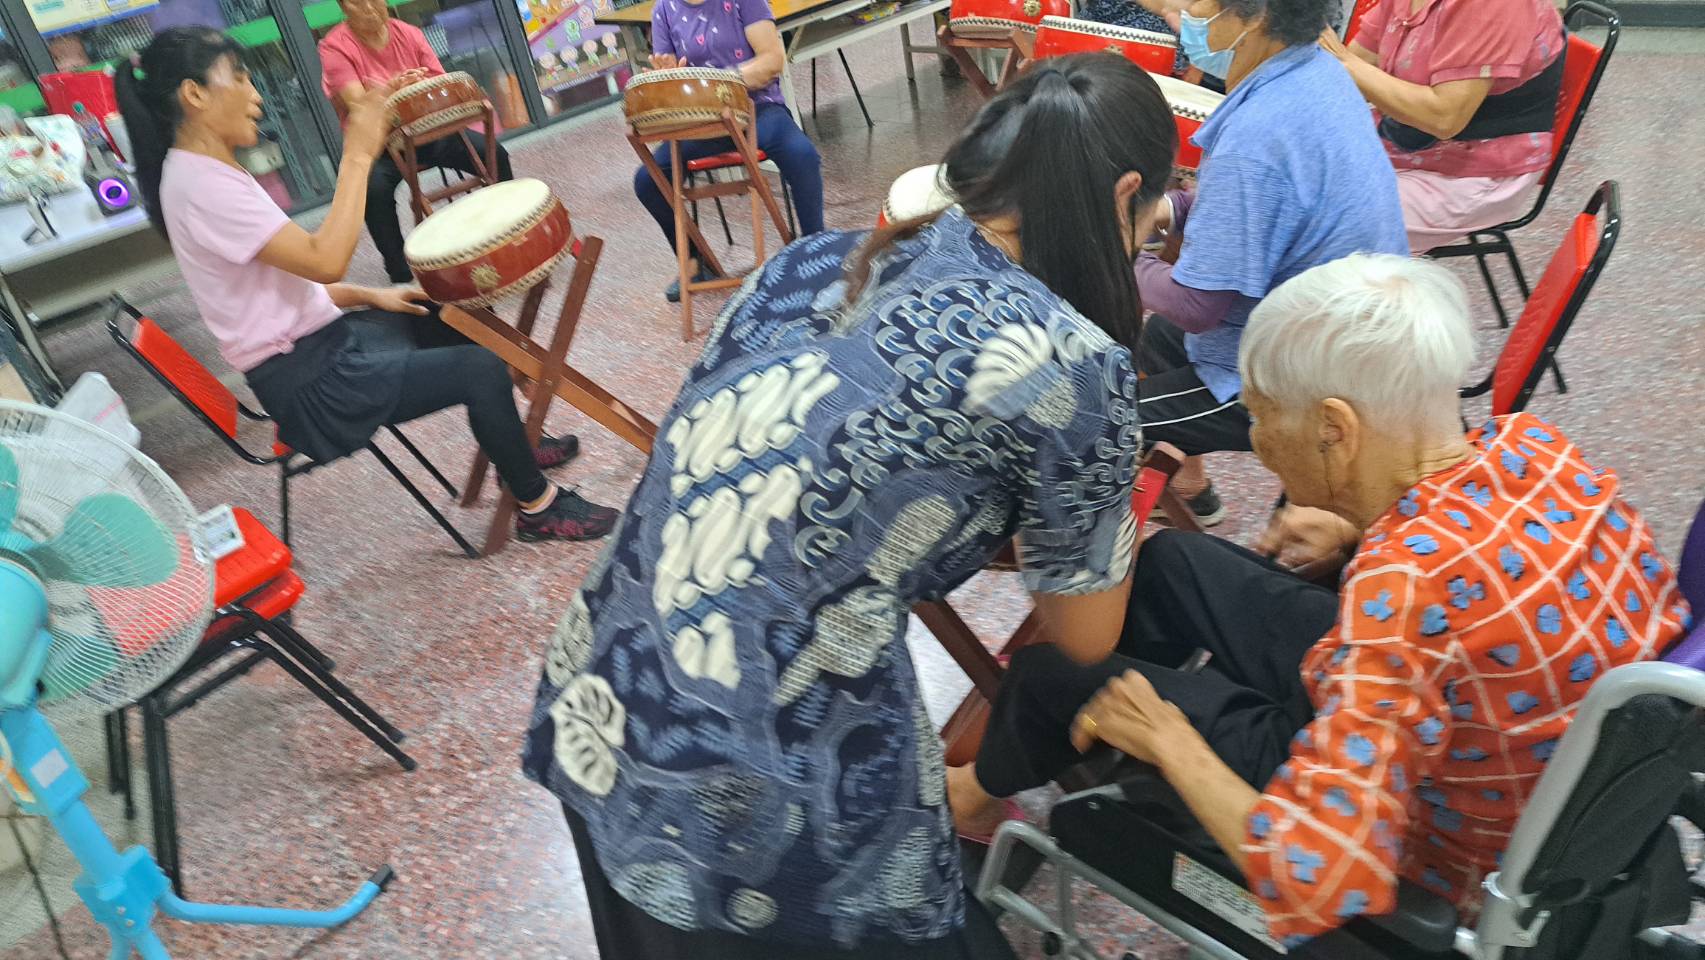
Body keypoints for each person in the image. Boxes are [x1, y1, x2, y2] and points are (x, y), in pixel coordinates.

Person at [523, 55, 1177, 958]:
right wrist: (1099, 487)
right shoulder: (1072, 363)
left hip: (604, 690)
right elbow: (1085, 633)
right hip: (762, 783)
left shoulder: (815, 258)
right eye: (1153, 221)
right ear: (1126, 196)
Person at [947, 254, 1692, 945]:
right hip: (1497, 747)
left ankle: (991, 788)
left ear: (1336, 429)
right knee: (1171, 562)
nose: (1259, 437)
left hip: (1419, 839)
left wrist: (1170, 740)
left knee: (1059, 677)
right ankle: (1111, 749)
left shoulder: (1401, 590)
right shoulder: (1534, 450)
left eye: (1264, 414)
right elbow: (1471, 575)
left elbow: (1320, 877)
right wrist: (1361, 524)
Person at [116, 27, 616, 544]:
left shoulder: (203, 172)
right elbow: (324, 260)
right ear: (194, 94)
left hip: (320, 346)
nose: (256, 95)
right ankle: (537, 507)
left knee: (452, 314)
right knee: (481, 368)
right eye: (239, 79)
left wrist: (372, 295)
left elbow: (274, 289)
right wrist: (357, 153)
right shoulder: (202, 187)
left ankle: (516, 451)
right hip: (313, 387)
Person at [1131, 0, 1406, 526]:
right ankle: (1193, 489)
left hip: (1303, 378)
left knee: (1102, 419)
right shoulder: (1318, 70)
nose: (1186, 12)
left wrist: (1114, 255)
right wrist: (1173, 207)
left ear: (1255, 16)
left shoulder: (1257, 136)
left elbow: (1198, 305)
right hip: (1356, 337)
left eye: (1199, 3)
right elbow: (1265, 205)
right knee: (1159, 338)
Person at [1320, 0, 1566, 254]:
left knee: (1325, 231)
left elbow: (1444, 118)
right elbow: (1354, 71)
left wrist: (1343, 62)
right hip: (1405, 142)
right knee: (1299, 187)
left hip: (1475, 172)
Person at [633, 0, 825, 302]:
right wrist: (668, 82)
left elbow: (772, 60)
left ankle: (817, 245)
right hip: (701, 122)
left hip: (757, 109)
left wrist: (712, 84)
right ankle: (693, 263)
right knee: (648, 181)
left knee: (801, 155)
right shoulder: (664, 10)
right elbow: (670, 82)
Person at [318, 0, 516, 285]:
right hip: (382, 144)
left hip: (432, 128)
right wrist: (396, 88)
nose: (369, 8)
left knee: (495, 154)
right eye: (357, 2)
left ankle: (509, 232)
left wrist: (405, 91)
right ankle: (399, 271)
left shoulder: (409, 33)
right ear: (343, 6)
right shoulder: (334, 47)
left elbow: (441, 83)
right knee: (372, 190)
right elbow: (360, 105)